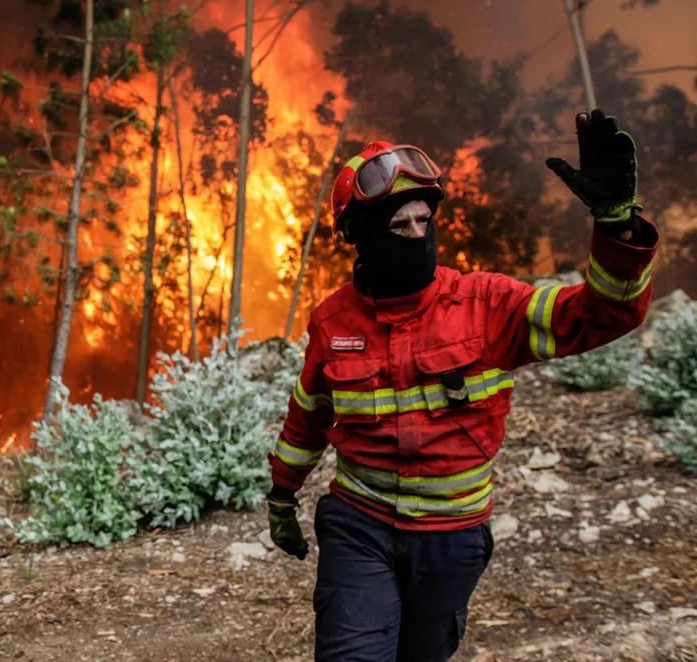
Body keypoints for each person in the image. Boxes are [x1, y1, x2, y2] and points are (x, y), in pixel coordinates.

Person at [266, 109, 658, 661]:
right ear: (358, 235)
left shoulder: (487, 305)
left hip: (451, 538)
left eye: (425, 221)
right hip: (360, 527)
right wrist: (283, 493)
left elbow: (602, 314)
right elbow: (307, 414)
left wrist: (617, 225)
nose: (416, 234)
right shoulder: (334, 323)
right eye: (399, 226)